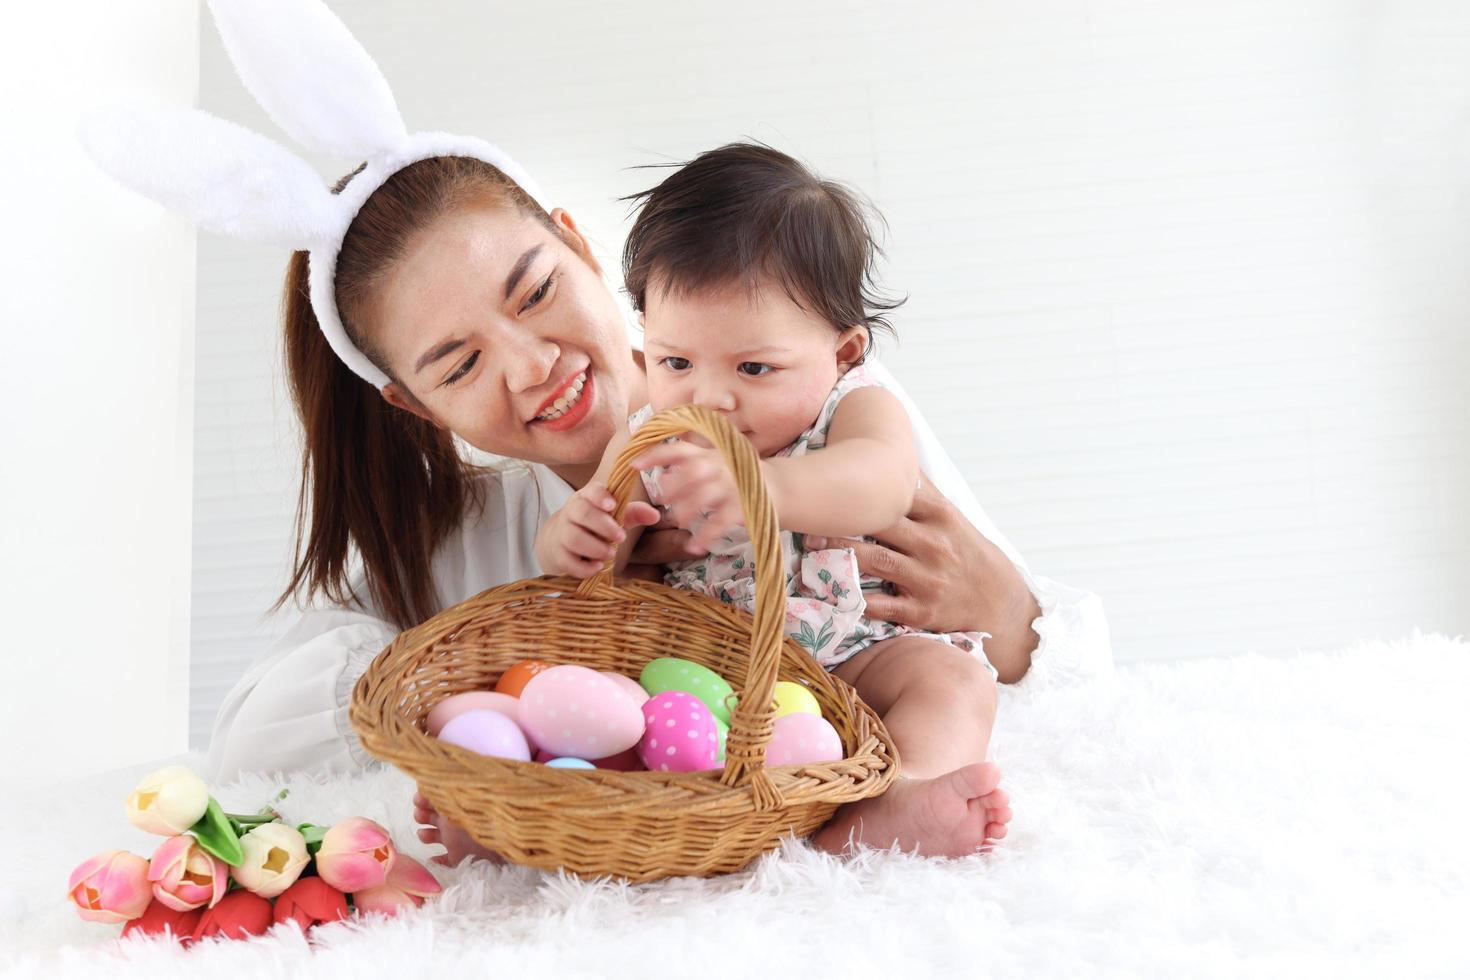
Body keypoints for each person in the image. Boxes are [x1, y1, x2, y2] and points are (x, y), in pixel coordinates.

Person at [537, 142, 1014, 855]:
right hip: (705, 668)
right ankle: (537, 798)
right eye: (674, 362)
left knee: (954, 682)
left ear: (844, 352)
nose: (709, 396)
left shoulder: (856, 405)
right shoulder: (652, 433)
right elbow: (597, 529)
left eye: (754, 367)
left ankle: (898, 798)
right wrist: (576, 537)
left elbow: (880, 485)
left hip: (859, 655)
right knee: (589, 692)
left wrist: (761, 485)